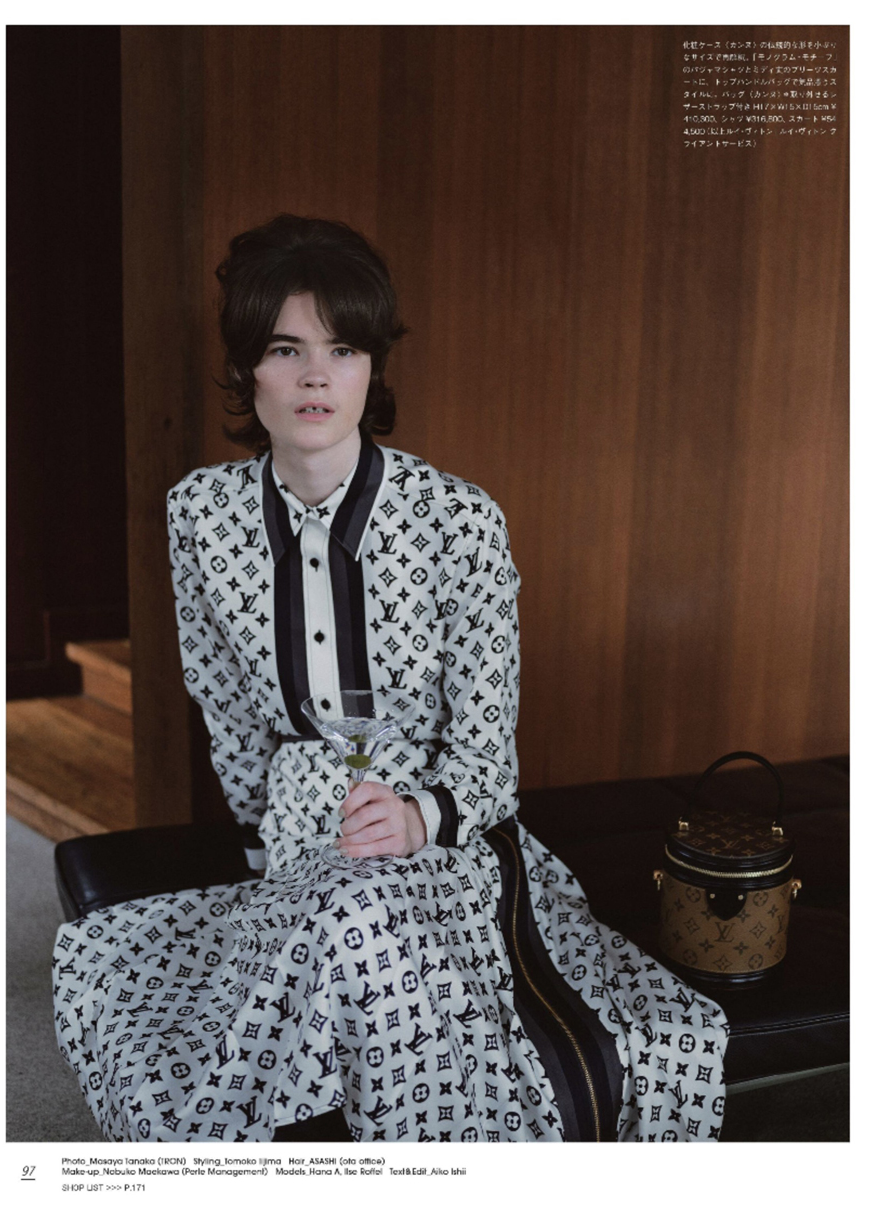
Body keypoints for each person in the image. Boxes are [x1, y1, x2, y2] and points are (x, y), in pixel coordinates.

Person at [52, 215, 728, 1143]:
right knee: (130, 971)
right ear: (248, 368)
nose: (316, 376)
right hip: (294, 822)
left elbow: (488, 755)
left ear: (372, 368)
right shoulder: (199, 515)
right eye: (286, 349)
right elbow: (223, 704)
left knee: (370, 921)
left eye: (342, 349)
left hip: (443, 831)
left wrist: (417, 817)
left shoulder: (459, 519)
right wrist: (269, 837)